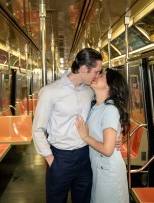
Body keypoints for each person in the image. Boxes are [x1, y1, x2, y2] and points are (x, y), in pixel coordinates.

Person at [32, 48, 103, 203]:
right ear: (84, 68)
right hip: (60, 157)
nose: (97, 76)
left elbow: (99, 116)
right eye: (96, 72)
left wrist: (111, 138)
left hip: (85, 157)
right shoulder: (50, 92)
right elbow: (37, 129)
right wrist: (51, 159)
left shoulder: (90, 91)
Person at [75, 68, 130, 203]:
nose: (97, 76)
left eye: (102, 75)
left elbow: (107, 150)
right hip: (100, 168)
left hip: (109, 171)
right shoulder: (97, 106)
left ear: (110, 86)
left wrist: (85, 137)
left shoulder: (110, 110)